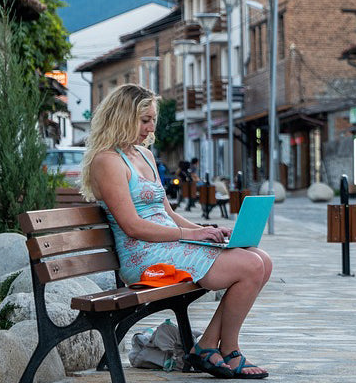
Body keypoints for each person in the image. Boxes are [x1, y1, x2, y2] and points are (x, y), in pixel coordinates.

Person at [80, 84, 272, 378]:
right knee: (251, 266)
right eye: (144, 120)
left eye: (152, 120)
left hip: (170, 245)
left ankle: (208, 345)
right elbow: (132, 226)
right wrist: (191, 235)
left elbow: (168, 213)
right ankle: (227, 349)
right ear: (122, 117)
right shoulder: (107, 161)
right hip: (144, 256)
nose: (150, 128)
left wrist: (206, 230)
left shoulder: (144, 156)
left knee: (263, 260)